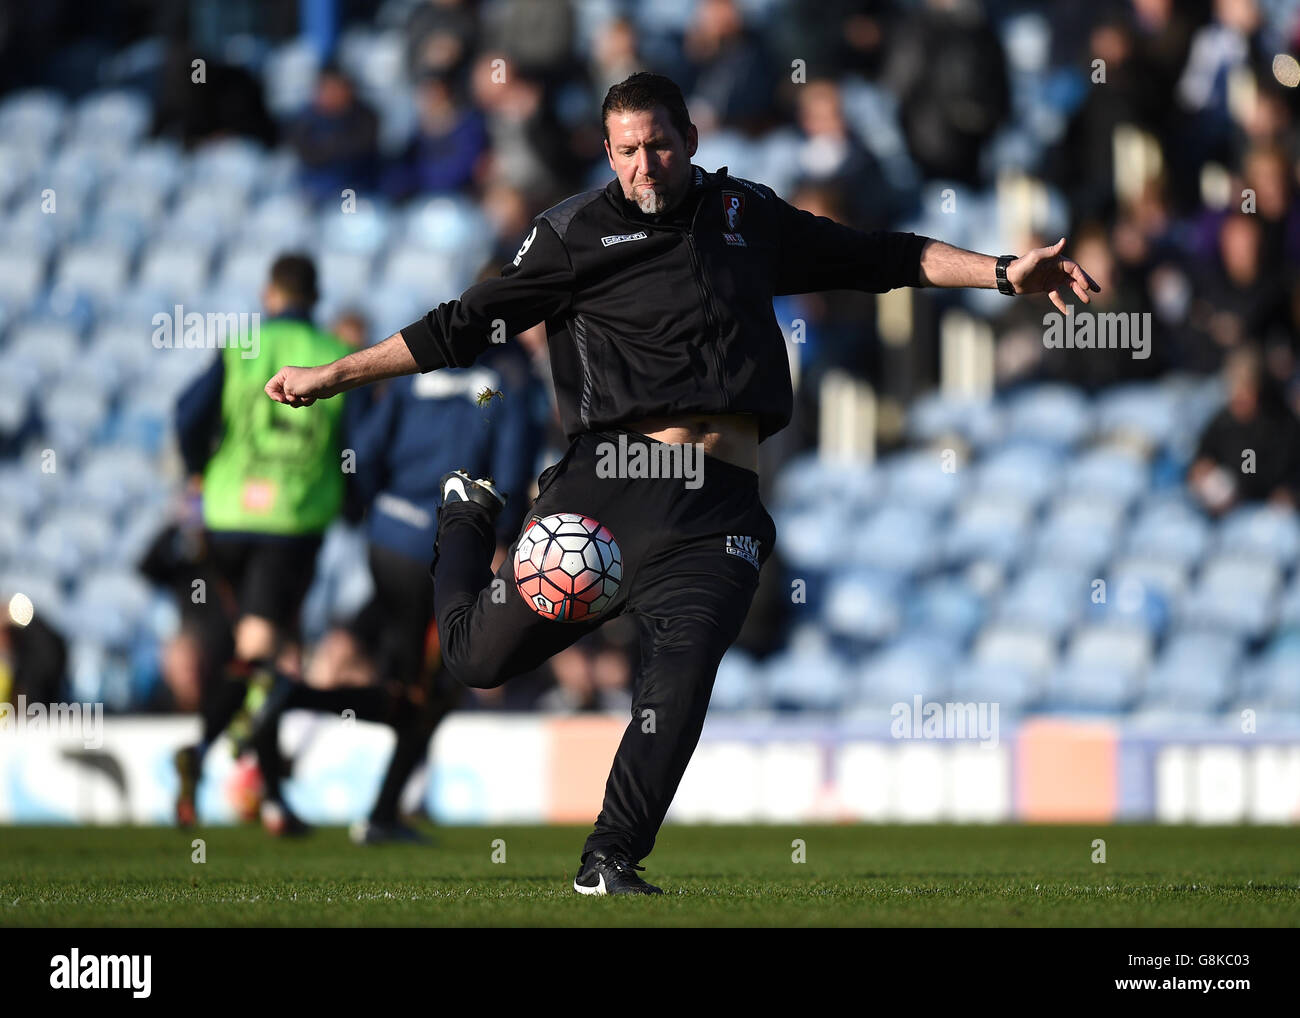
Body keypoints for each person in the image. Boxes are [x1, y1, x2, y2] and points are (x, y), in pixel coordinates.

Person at [263, 72, 1098, 893]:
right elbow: (461, 325)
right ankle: (464, 516)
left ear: (690, 141)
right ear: (607, 151)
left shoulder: (746, 215)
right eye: (627, 150)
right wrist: (338, 374)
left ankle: (610, 859)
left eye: (658, 145)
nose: (644, 165)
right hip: (613, 488)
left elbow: (878, 256)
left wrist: (999, 272)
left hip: (720, 504)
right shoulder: (569, 234)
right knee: (477, 661)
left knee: (682, 676)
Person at [173, 254, 357, 835]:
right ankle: (199, 751)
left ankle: (275, 800)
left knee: (273, 656)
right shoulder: (332, 353)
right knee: (262, 657)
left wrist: (200, 467)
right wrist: (353, 498)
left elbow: (187, 413)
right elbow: (354, 445)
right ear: (315, 293)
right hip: (291, 520)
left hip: (227, 515)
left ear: (269, 291)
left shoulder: (240, 346)